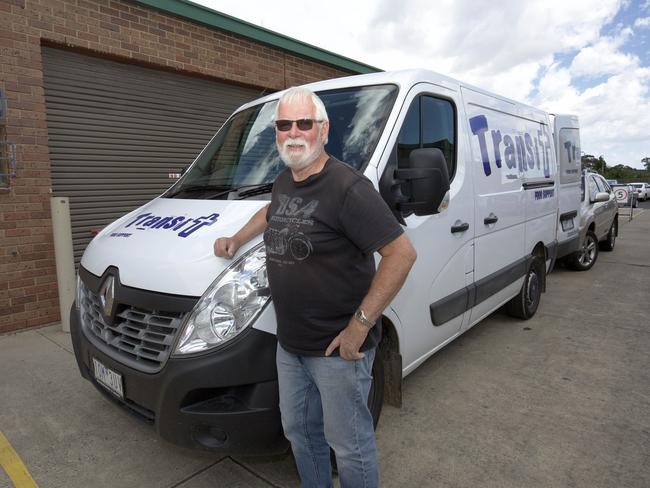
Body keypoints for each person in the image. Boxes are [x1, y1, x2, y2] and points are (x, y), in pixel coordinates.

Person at [214, 86, 416, 488]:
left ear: (322, 130)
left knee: (349, 445)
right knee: (300, 435)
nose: (293, 133)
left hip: (337, 352)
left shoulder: (348, 188)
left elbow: (401, 254)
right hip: (290, 346)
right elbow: (272, 211)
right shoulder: (285, 181)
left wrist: (358, 326)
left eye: (303, 124)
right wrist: (236, 239)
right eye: (284, 125)